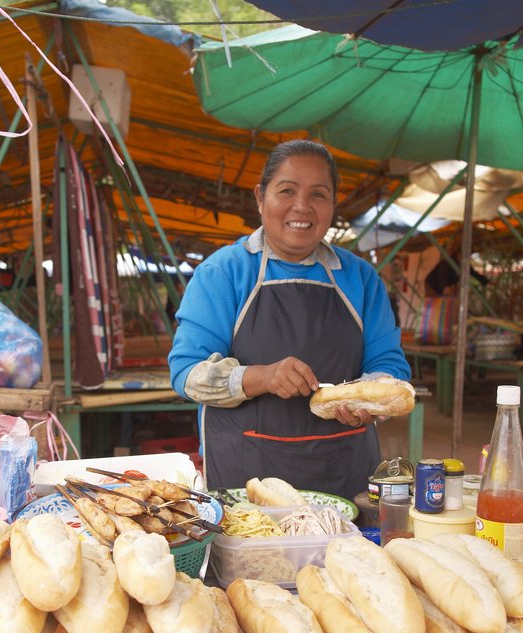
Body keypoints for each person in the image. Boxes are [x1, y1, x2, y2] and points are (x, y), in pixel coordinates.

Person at [168, 139, 411, 499]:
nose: (302, 206)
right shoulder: (224, 272)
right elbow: (187, 374)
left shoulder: (360, 278)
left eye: (318, 194)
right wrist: (263, 376)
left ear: (332, 205)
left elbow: (389, 366)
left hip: (344, 472)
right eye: (287, 191)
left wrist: (366, 406)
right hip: (247, 479)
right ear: (260, 197)